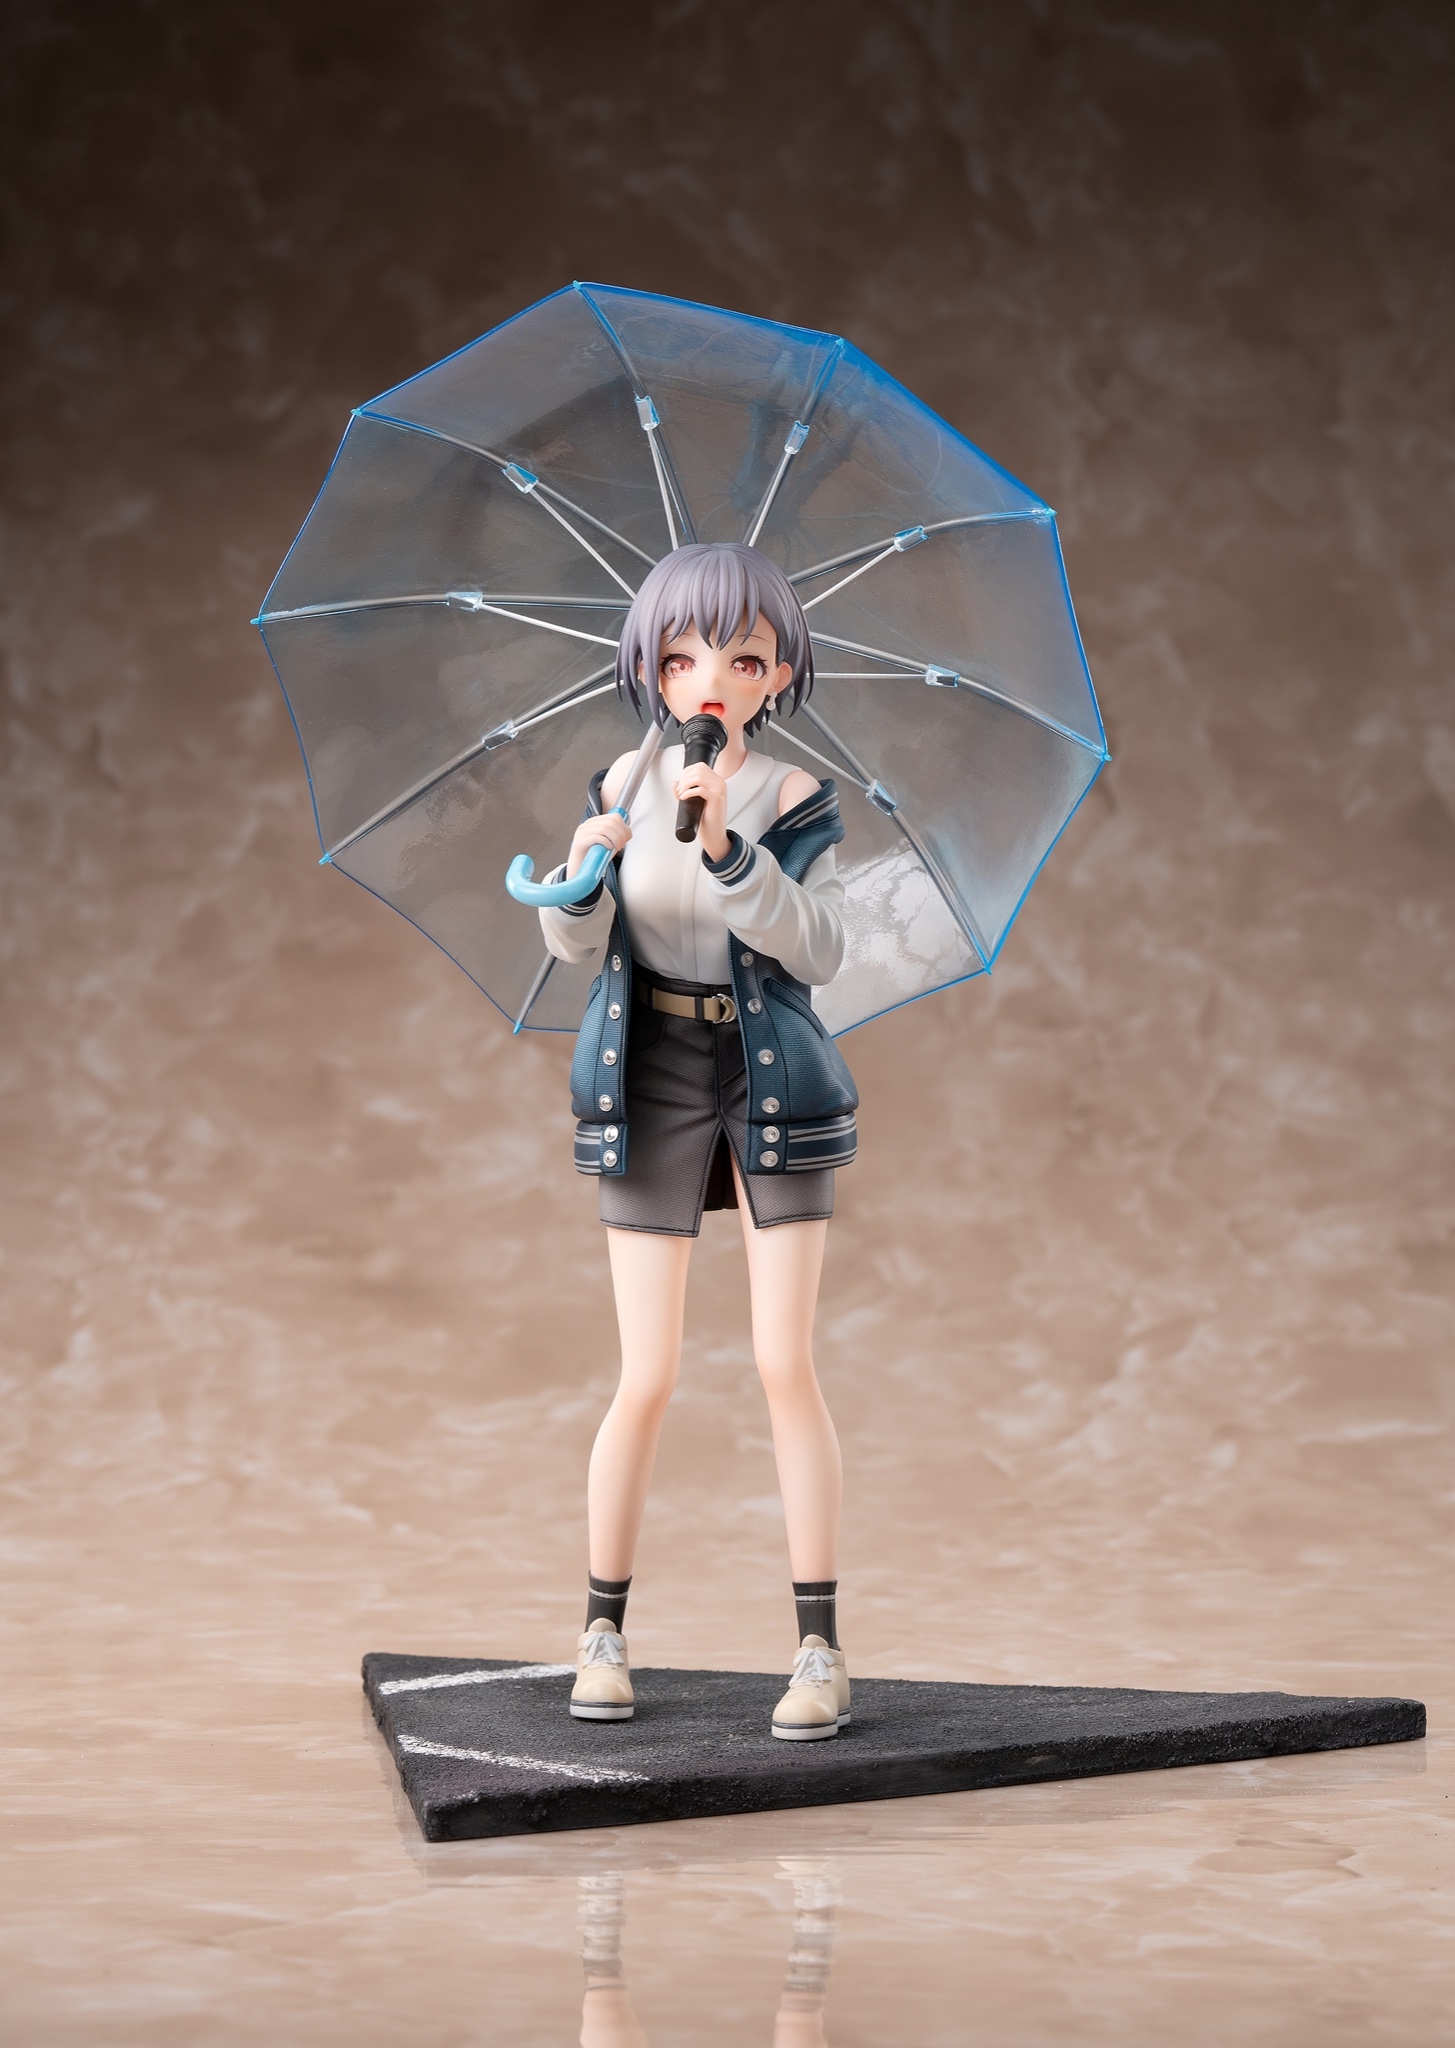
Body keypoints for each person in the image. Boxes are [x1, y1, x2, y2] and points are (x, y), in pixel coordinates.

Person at [538, 541, 859, 1740]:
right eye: (680, 658)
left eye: (742, 657)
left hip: (768, 1067)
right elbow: (581, 954)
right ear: (650, 671)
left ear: (777, 672)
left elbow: (820, 947)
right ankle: (600, 1629)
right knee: (648, 1371)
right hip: (651, 1068)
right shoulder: (621, 783)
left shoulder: (792, 796)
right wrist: (579, 884)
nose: (709, 680)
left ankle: (819, 1648)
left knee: (784, 1362)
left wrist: (729, 848)